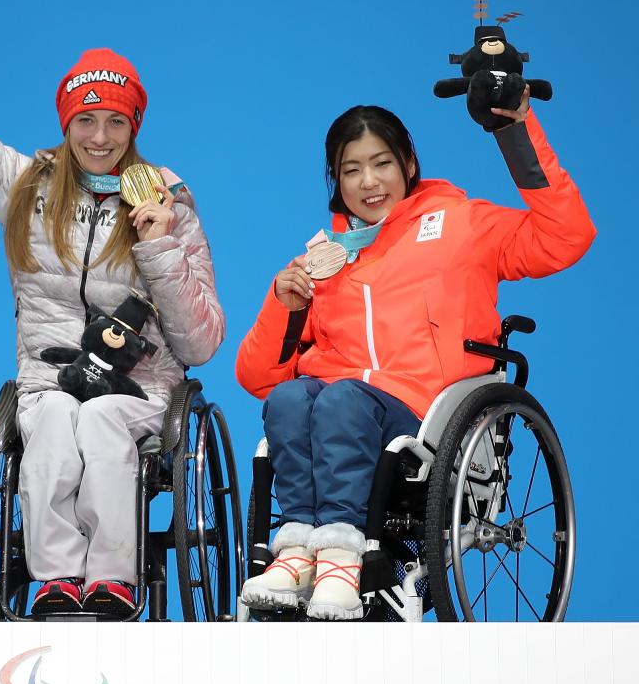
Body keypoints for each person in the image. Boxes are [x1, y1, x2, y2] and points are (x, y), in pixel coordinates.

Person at [0, 0, 223, 617]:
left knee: (102, 419)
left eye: (115, 122)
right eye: (86, 121)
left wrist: (159, 241)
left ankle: (112, 580)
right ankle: (53, 580)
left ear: (135, 127)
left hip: (141, 388)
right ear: (65, 122)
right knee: (51, 417)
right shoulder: (24, 186)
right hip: (49, 378)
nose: (99, 137)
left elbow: (200, 344)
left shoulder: (170, 199)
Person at [235, 91, 595, 620]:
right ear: (336, 181)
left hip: (424, 416)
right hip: (346, 407)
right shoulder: (322, 262)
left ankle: (340, 560)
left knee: (341, 403)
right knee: (290, 400)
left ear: (408, 163)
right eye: (351, 169)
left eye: (381, 163)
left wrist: (514, 132)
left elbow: (566, 236)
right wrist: (282, 303)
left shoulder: (461, 224)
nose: (369, 182)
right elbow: (259, 378)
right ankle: (294, 555)